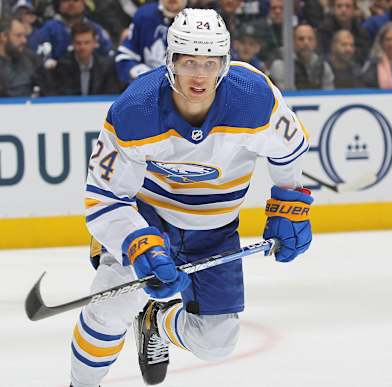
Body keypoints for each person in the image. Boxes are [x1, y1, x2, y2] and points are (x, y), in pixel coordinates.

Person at [71, 7, 313, 387]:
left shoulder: (253, 96)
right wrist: (138, 244)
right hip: (151, 221)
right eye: (188, 63)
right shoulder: (134, 109)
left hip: (214, 233)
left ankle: (156, 322)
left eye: (210, 63)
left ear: (224, 63)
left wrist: (290, 205)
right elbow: (104, 198)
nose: (200, 75)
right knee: (109, 308)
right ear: (169, 62)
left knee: (216, 342)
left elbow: (288, 149)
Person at [115, 0, 187, 83]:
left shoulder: (199, 22)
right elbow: (124, 56)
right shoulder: (144, 16)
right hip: (147, 88)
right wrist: (139, 71)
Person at [28, 0, 113, 69]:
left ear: (83, 3)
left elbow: (109, 57)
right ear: (59, 4)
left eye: (76, 0)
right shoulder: (48, 29)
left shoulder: (95, 29)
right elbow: (35, 58)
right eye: (66, 0)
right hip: (58, 81)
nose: (71, 3)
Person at [52, 21, 122, 95]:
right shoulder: (62, 66)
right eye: (78, 43)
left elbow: (110, 94)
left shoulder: (106, 67)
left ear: (94, 43)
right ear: (72, 43)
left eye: (87, 42)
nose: (83, 47)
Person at [270, 23, 335, 90]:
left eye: (310, 39)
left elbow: (329, 93)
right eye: (301, 39)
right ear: (292, 42)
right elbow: (287, 95)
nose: (306, 43)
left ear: (315, 42)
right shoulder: (281, 64)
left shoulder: (323, 66)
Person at [0, 16, 46, 96]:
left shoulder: (33, 59)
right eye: (18, 36)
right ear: (3, 37)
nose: (24, 40)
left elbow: (48, 91)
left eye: (24, 36)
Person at [316, 0, 371, 65]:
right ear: (333, 9)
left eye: (348, 6)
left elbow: (364, 55)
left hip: (355, 68)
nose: (343, 10)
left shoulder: (361, 31)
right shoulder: (324, 30)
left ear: (354, 10)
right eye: (339, 6)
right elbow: (322, 54)